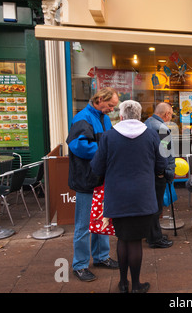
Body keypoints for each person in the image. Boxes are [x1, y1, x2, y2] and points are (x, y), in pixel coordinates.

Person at [90, 100, 167, 293]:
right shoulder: (151, 135)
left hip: (117, 196)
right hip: (143, 196)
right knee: (135, 241)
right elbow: (161, 164)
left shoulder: (108, 137)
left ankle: (123, 283)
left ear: (121, 116)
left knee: (123, 239)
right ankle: (137, 285)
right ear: (140, 116)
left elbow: (97, 167)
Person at [66, 87, 119, 282]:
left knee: (102, 220)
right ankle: (79, 265)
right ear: (99, 100)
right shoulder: (83, 118)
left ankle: (101, 257)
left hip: (100, 179)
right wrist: (106, 149)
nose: (112, 109)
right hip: (87, 180)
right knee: (83, 225)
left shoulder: (102, 117)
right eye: (110, 105)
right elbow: (78, 146)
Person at [144, 102, 175, 248]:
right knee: (156, 206)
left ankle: (150, 234)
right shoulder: (162, 128)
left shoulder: (146, 124)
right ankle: (155, 238)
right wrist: (168, 172)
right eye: (171, 114)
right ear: (166, 114)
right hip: (158, 173)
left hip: (146, 171)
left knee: (149, 205)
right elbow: (166, 154)